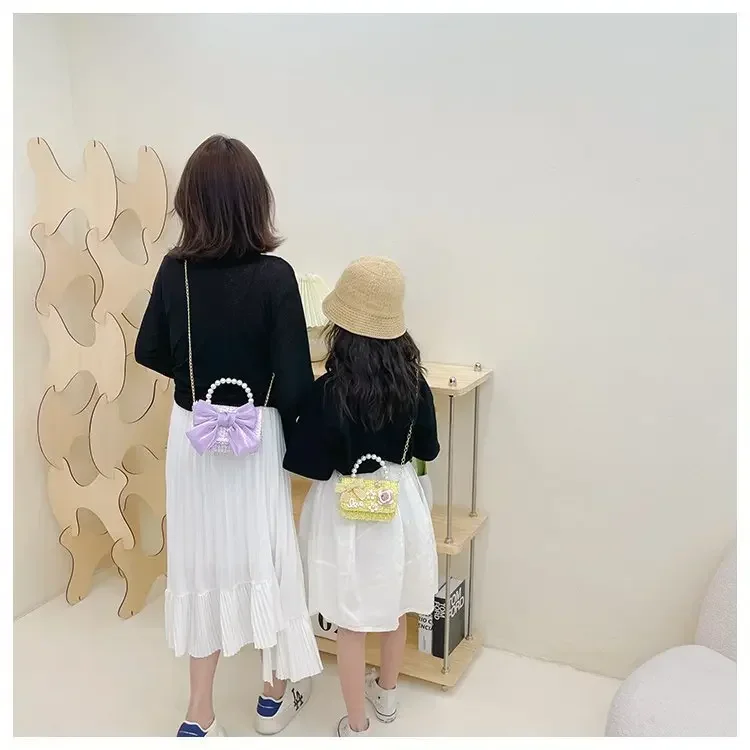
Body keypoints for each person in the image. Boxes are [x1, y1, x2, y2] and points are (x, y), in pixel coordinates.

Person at [135, 135, 322, 738]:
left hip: (190, 434)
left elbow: (147, 349)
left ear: (190, 202)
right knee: (266, 550)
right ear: (255, 200)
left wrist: (197, 379)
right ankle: (271, 696)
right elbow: (296, 382)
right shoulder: (276, 277)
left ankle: (199, 715)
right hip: (256, 436)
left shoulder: (175, 271)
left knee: (199, 561)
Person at [284, 257, 440, 736]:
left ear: (343, 329)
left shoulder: (329, 391)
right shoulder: (416, 385)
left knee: (350, 622)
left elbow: (307, 463)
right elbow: (429, 448)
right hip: (399, 507)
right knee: (394, 608)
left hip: (344, 513)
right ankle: (387, 697)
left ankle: (356, 725)